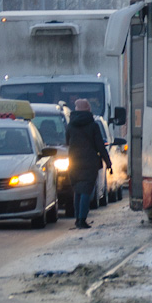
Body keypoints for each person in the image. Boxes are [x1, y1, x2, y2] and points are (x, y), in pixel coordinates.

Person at [65, 98, 111, 229]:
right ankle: (82, 219)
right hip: (89, 163)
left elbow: (67, 142)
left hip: (73, 162)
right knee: (86, 191)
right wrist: (108, 162)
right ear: (88, 109)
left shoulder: (71, 125)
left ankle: (77, 218)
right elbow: (100, 146)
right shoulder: (93, 125)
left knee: (77, 190)